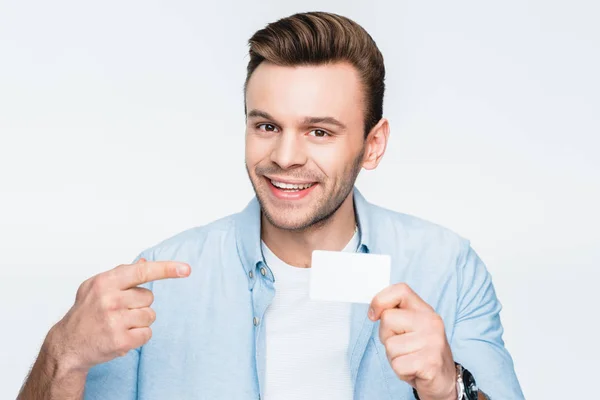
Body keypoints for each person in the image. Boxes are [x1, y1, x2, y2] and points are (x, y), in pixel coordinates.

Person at [17, 11, 524, 400]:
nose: (284, 157)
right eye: (266, 126)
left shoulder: (448, 267)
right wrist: (63, 353)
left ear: (373, 145)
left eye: (319, 131)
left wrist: (448, 386)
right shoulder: (156, 284)